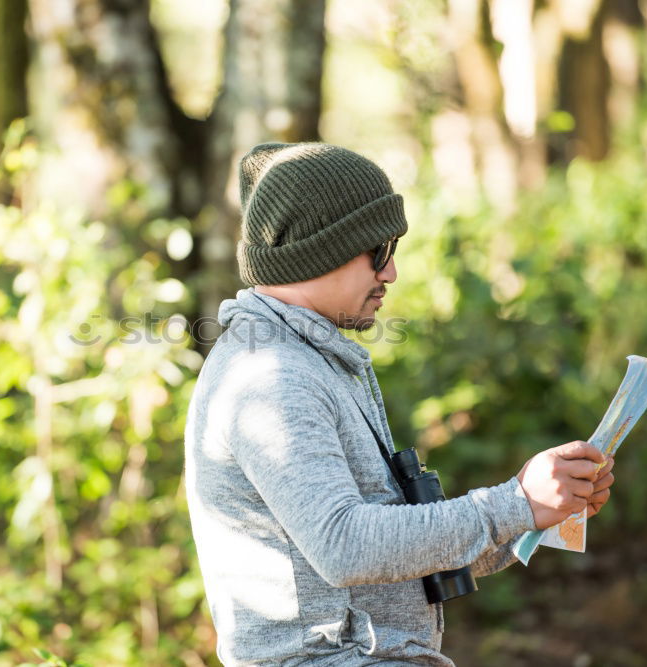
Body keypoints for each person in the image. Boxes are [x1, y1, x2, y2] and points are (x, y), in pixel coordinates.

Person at [183, 143, 615, 666]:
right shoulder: (272, 375)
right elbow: (345, 545)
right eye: (378, 250)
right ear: (324, 248)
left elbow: (389, 549)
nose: (390, 273)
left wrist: (535, 512)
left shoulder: (310, 358)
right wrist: (512, 503)